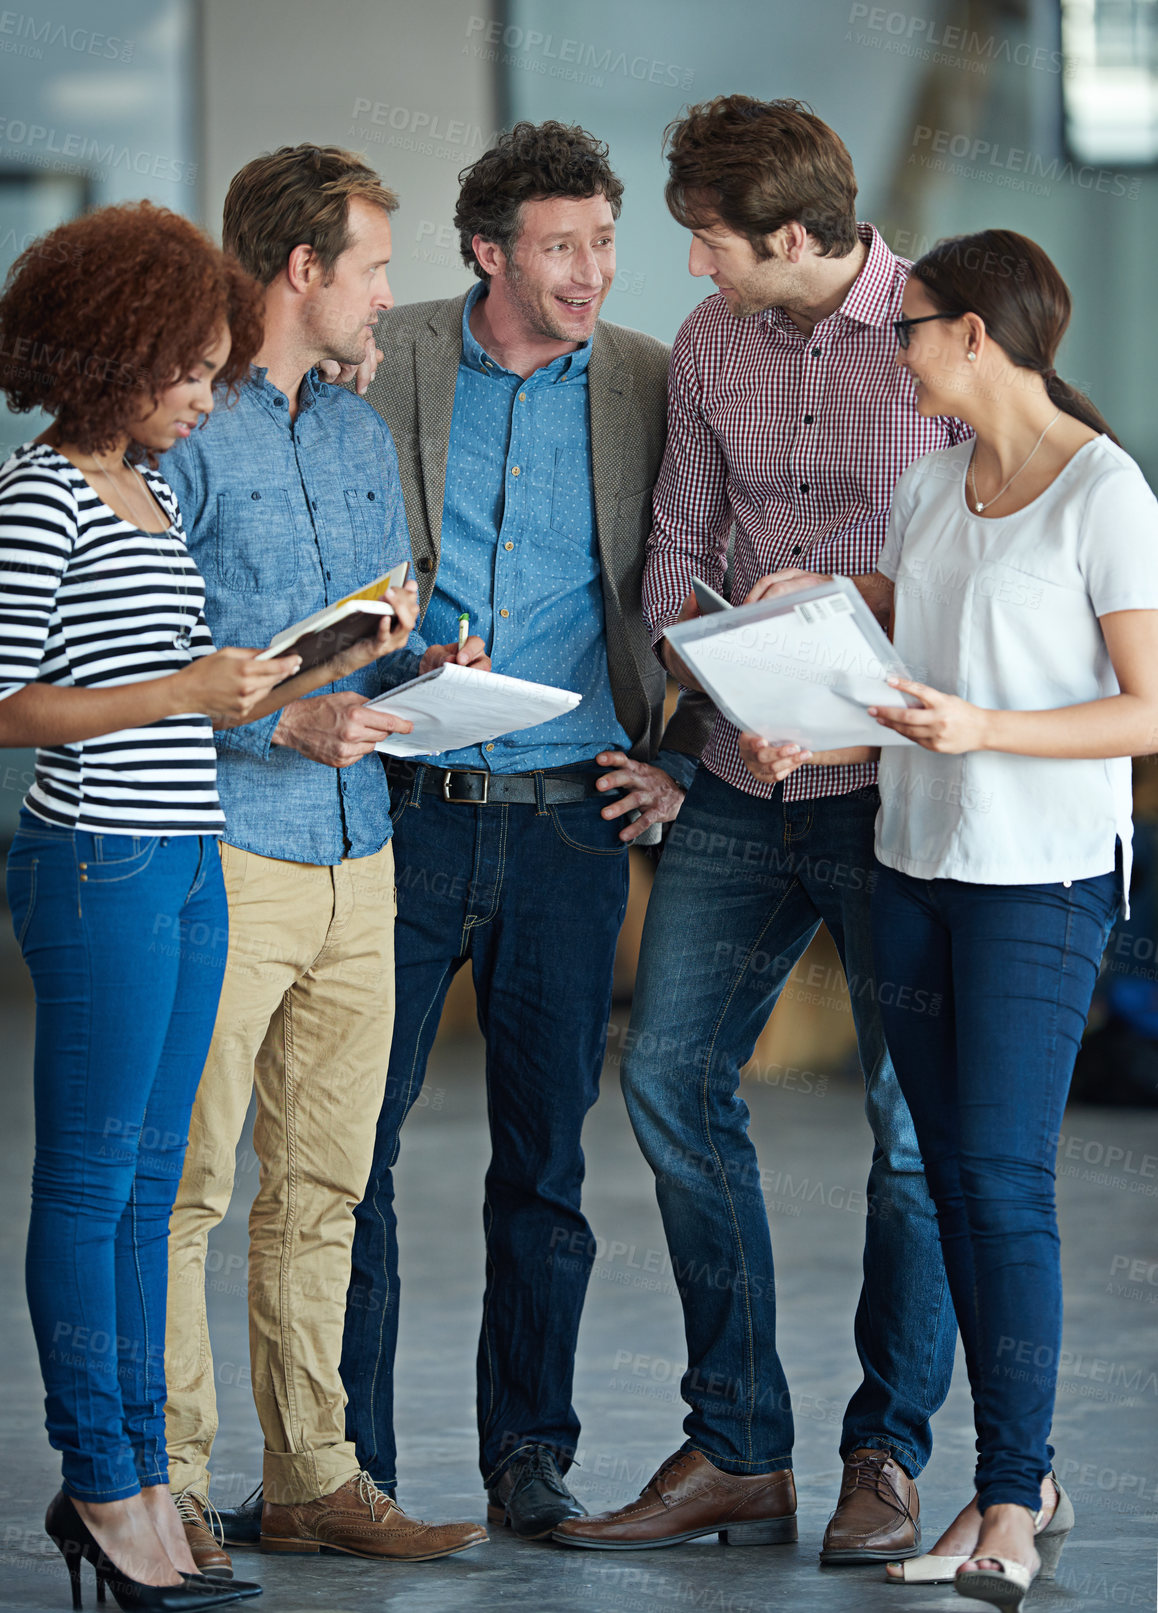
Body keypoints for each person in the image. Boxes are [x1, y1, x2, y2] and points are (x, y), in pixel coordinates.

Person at [554, 96, 969, 1562]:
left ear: (793, 236)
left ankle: (885, 1457)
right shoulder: (718, 347)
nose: (693, 270)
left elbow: (984, 571)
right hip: (740, 773)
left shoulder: (941, 336)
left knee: (910, 1135)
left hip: (893, 791)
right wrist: (702, 690)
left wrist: (839, 641)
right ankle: (737, 1443)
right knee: (667, 1079)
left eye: (708, 241)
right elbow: (679, 542)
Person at [339, 120, 711, 1539]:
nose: (591, 270)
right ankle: (347, 1459)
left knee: (543, 1165)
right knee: (348, 1148)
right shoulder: (395, 354)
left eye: (604, 241)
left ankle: (527, 1454)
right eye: (560, 245)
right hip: (399, 811)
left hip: (571, 823)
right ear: (487, 250)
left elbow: (709, 565)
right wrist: (381, 673)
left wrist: (683, 752)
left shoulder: (647, 380)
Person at [812, 229, 1155, 1609]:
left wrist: (984, 727)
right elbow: (904, 657)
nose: (892, 352)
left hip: (1040, 881)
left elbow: (1146, 709)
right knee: (948, 1182)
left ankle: (1012, 1495)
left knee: (1002, 1187)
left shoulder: (1104, 494)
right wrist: (811, 673)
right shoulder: (929, 486)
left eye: (907, 327)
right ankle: (1017, 1476)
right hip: (913, 863)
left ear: (975, 332)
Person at [161, 145, 486, 1572]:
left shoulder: (354, 435)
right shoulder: (177, 429)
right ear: (302, 271)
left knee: (323, 1189)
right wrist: (293, 718)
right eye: (371, 268)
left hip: (367, 858)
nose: (386, 296)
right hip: (230, 849)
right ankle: (165, 1488)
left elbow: (367, 618)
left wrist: (426, 659)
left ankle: (312, 1472)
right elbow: (129, 651)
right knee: (192, 1189)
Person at [0, 201, 296, 1609]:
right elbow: (6, 703)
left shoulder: (155, 493)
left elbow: (156, 684)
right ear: (113, 353)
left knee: (149, 1192)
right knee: (91, 1180)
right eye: (185, 370)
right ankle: (105, 1480)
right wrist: (183, 688)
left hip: (186, 855)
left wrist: (280, 675)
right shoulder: (38, 493)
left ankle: (132, 1482)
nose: (201, 395)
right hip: (98, 865)